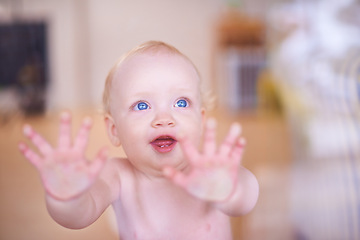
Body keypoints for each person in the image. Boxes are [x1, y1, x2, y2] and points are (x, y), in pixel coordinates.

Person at [19, 41, 259, 239]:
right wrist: (66, 197)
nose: (164, 119)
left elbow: (245, 198)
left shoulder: (211, 173)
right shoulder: (117, 176)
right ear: (114, 130)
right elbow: (80, 215)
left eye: (181, 103)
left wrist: (229, 190)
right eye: (142, 105)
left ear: (202, 118)